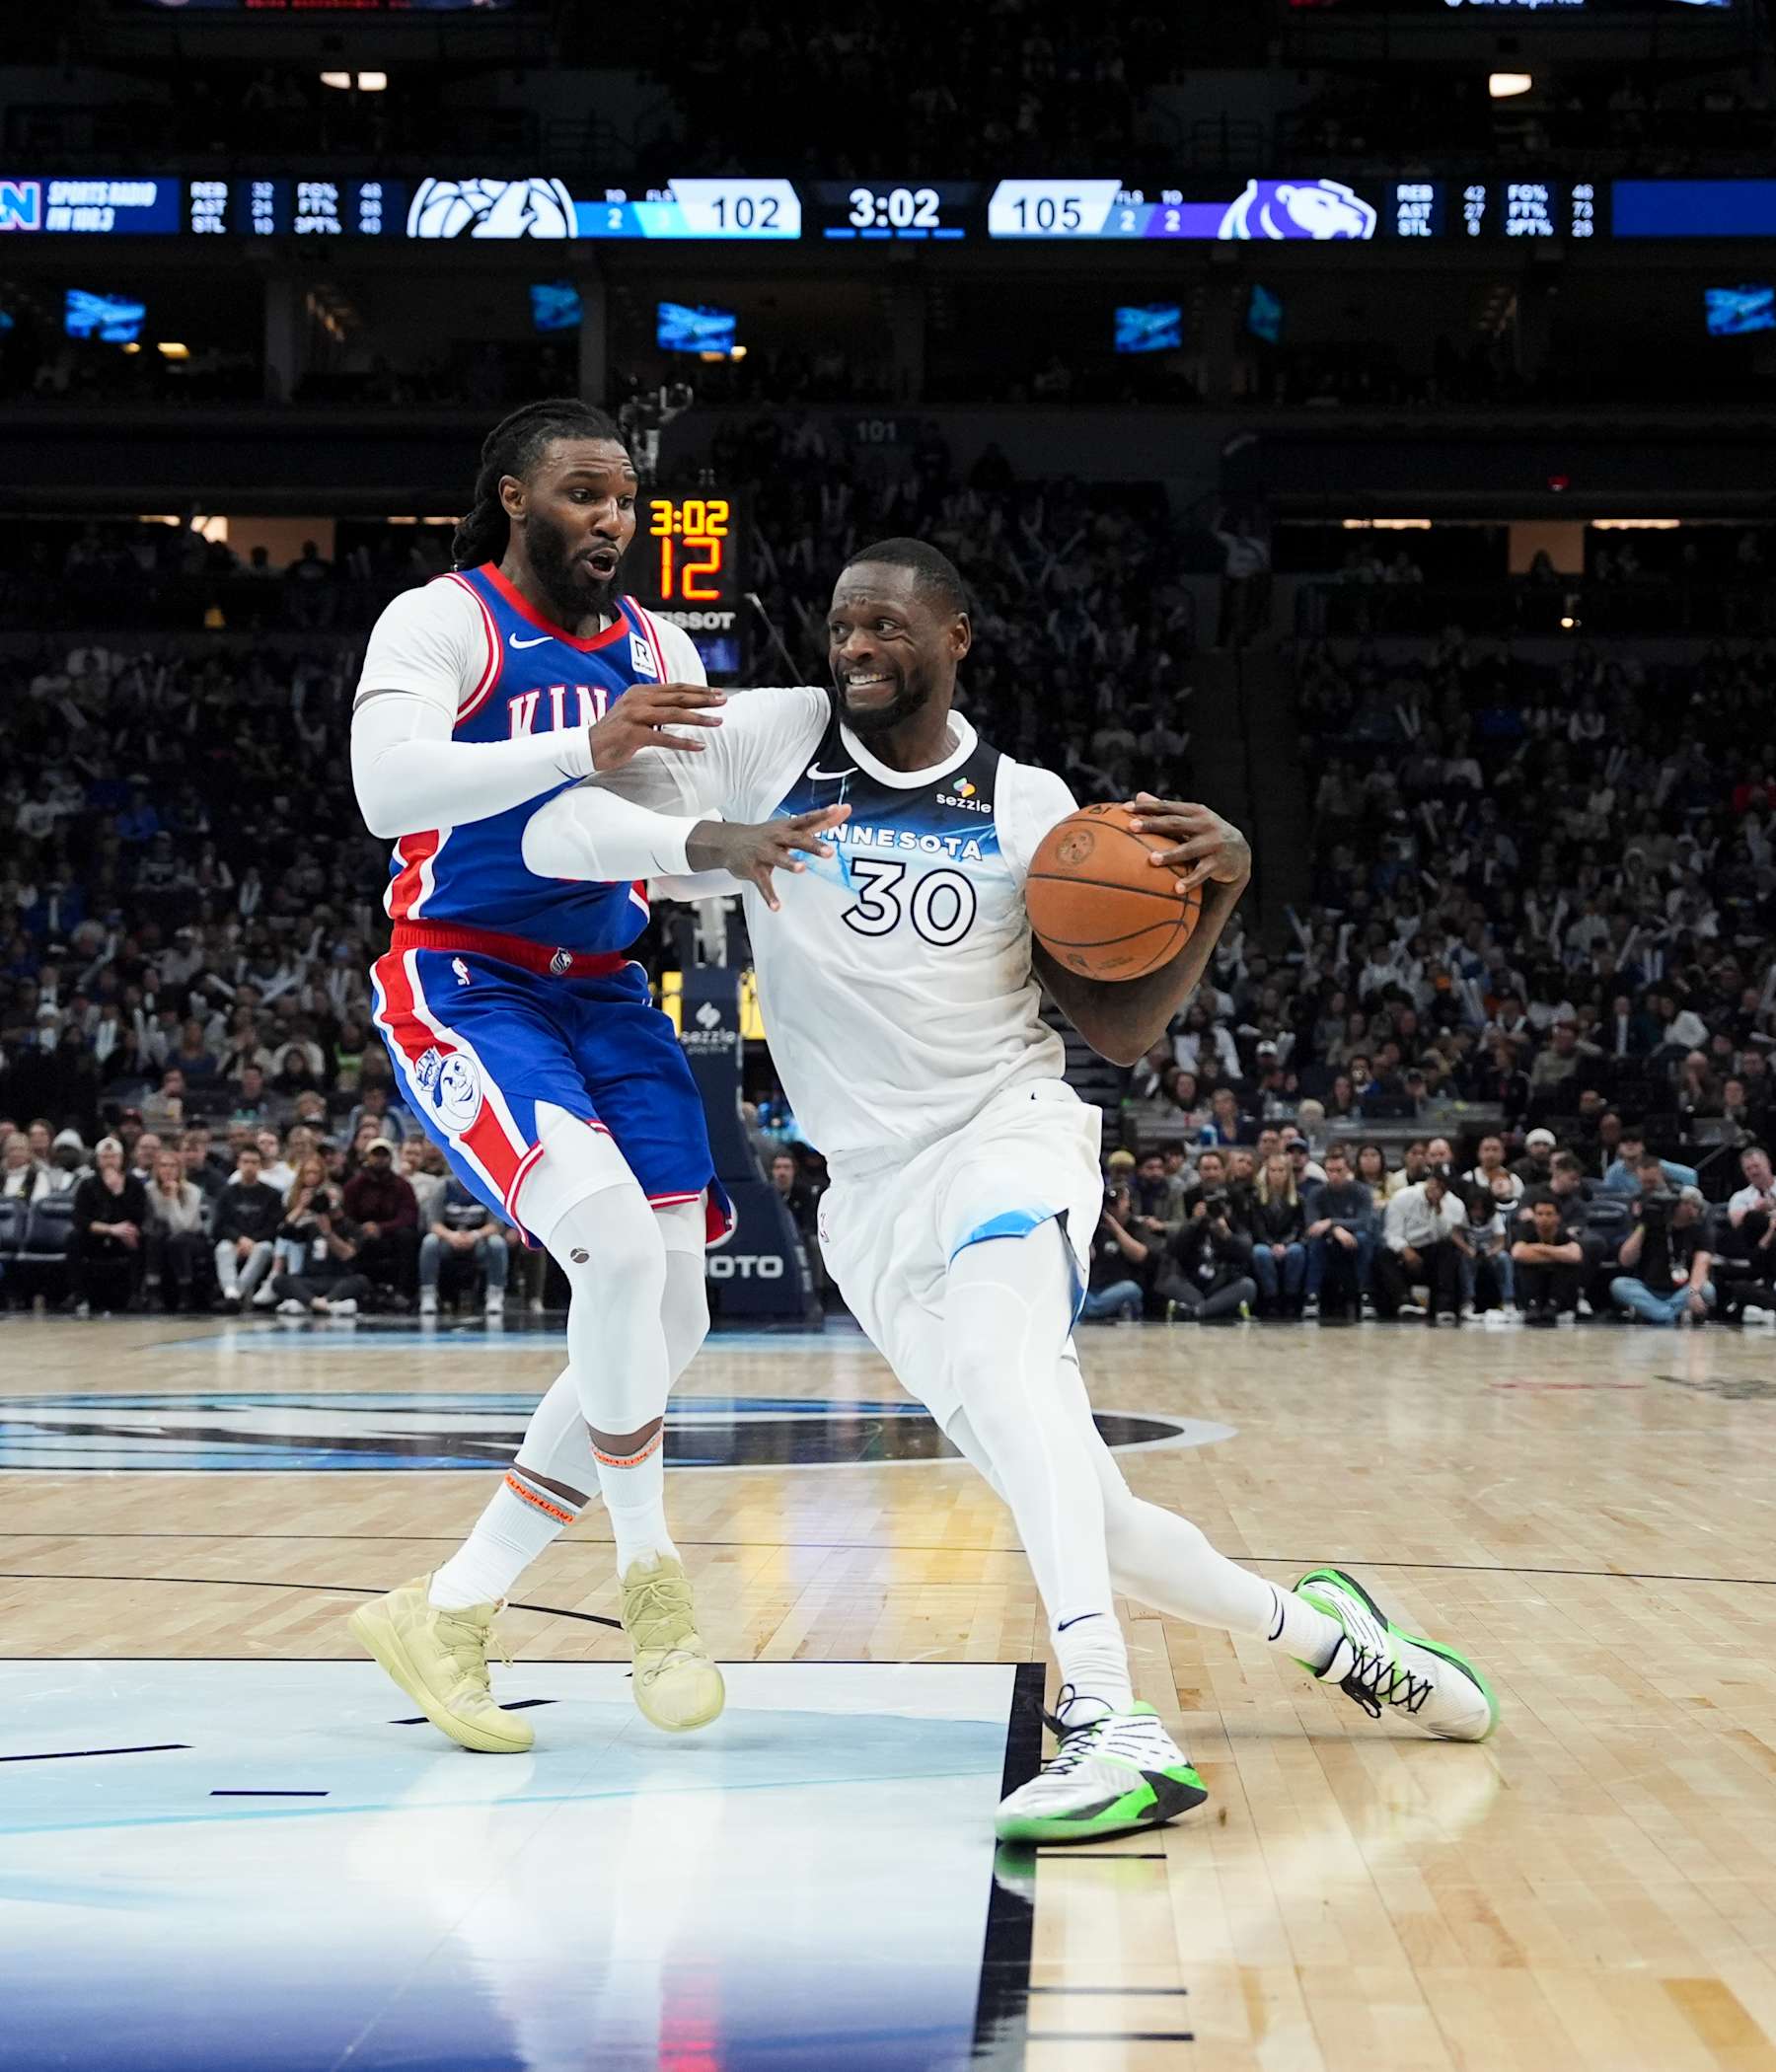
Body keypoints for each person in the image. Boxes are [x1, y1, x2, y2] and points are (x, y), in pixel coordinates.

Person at [526, 534, 1498, 1843]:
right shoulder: (771, 739)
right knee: (1093, 1511)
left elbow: (1120, 1033)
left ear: (954, 639)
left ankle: (1109, 1722)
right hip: (866, 1200)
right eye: (843, 625)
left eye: (886, 627)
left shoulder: (1031, 808)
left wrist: (1220, 898)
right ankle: (1337, 1639)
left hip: (1006, 1131)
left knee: (1004, 1359)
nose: (859, 648)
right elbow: (557, 829)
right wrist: (708, 837)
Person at [345, 397, 799, 1748]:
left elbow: (647, 834)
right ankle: (652, 1581)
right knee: (607, 1247)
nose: (613, 518)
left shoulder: (656, 643)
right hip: (466, 979)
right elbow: (387, 793)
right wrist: (578, 746)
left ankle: (454, 1608)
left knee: (675, 1322)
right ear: (514, 500)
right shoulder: (443, 622)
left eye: (625, 498)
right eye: (585, 494)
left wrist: (732, 842)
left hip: (607, 986)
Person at [1154, 1150, 1255, 1321]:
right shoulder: (1187, 1197)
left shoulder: (1237, 1198)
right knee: (1167, 1282)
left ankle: (1195, 1312)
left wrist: (1227, 1235)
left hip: (1223, 1277)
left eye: (1216, 1168)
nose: (1211, 1173)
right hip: (1188, 1275)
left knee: (1248, 1286)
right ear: (1199, 1172)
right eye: (1206, 1169)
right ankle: (1212, 1309)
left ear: (1223, 1171)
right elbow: (1174, 1246)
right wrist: (1193, 1222)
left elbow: (1246, 1248)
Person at [1609, 1174, 1715, 1327]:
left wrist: (1693, 1292)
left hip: (1682, 1292)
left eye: (1694, 1205)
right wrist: (1644, 1224)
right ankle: (1667, 1313)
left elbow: (1702, 1266)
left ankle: (1658, 1314)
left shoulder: (1700, 1229)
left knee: (1707, 1289)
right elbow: (1626, 1260)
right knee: (1619, 1285)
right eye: (1686, 1203)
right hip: (1650, 1290)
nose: (1692, 1209)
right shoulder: (1652, 1225)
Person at [68, 1136, 148, 1316]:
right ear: (97, 1160)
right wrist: (110, 1229)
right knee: (73, 1238)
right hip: (96, 1236)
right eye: (105, 1157)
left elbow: (138, 1216)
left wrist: (118, 1193)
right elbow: (80, 1219)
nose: (109, 1161)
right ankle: (79, 1296)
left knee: (140, 1238)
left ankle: (136, 1294)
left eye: (113, 1157)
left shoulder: (133, 1184)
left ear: (121, 1159)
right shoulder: (87, 1185)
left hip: (125, 1236)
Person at [1375, 1168, 1463, 1322]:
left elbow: (1443, 1235)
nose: (1436, 1190)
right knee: (1384, 1254)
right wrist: (1405, 1250)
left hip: (1431, 1252)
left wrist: (1438, 1212)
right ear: (1429, 1182)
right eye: (1434, 1184)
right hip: (1405, 1248)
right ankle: (1405, 1301)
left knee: (1448, 1249)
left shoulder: (1454, 1204)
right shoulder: (1403, 1197)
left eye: (1442, 1188)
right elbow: (1391, 1233)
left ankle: (1444, 1306)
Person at [340, 1137, 420, 1303]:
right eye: (376, 1154)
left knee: (407, 1236)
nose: (380, 1159)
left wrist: (381, 1228)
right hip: (361, 1234)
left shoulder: (402, 1185)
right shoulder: (354, 1186)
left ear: (391, 1158)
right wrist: (362, 1229)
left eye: (384, 1155)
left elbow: (409, 1216)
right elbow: (346, 1215)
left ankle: (403, 1292)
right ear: (367, 1157)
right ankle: (356, 1290)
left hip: (392, 1235)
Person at [420, 1176, 511, 1319]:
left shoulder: (488, 1187)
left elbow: (496, 1225)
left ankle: (495, 1293)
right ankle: (428, 1293)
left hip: (478, 1239)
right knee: (429, 1242)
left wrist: (474, 1235)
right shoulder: (443, 1187)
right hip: (449, 1238)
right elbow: (433, 1223)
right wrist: (451, 1236)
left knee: (497, 1243)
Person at [1302, 1144, 1373, 1321]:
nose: (1334, 1175)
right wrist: (1335, 1230)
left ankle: (1366, 1295)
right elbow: (1312, 1225)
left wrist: (1331, 1222)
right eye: (1330, 1170)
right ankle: (1312, 1297)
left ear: (1348, 1169)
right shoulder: (1316, 1193)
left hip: (1353, 1239)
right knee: (1315, 1241)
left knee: (1364, 1238)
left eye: (1339, 1170)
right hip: (1328, 1241)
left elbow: (1363, 1222)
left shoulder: (1361, 1191)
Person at [210, 1141, 284, 1311]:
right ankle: (232, 1292)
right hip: (234, 1241)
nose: (249, 1166)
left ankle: (234, 1294)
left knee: (264, 1249)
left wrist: (253, 1241)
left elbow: (273, 1226)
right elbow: (220, 1225)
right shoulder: (226, 1192)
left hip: (260, 1241)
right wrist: (239, 1239)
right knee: (222, 1249)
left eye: (254, 1162)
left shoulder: (272, 1194)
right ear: (238, 1164)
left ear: (260, 1165)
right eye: (245, 1162)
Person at [144, 1146, 210, 1312]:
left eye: (173, 1166)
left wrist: (172, 1198)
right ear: (156, 1169)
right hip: (162, 1235)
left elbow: (182, 1226)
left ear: (180, 1170)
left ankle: (185, 1292)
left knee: (177, 1241)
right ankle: (153, 1291)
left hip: (192, 1237)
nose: (168, 1170)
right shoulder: (149, 1190)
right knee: (154, 1237)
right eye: (163, 1165)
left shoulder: (192, 1191)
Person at [1243, 1148, 1307, 1318]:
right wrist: (1272, 1245)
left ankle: (1290, 1298)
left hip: (1290, 1243)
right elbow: (1257, 1227)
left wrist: (1284, 1244)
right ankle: (1271, 1299)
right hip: (1265, 1242)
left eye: (1281, 1170)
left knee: (1296, 1251)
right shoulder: (1256, 1198)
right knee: (1260, 1252)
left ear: (1288, 1173)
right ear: (1267, 1172)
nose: (1277, 1174)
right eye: (1273, 1170)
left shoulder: (1298, 1199)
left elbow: (1298, 1227)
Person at [1511, 1195, 1586, 1326]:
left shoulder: (1563, 1234)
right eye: (1539, 1214)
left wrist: (1539, 1249)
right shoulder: (1526, 1231)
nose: (1544, 1218)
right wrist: (1558, 1253)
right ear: (1533, 1216)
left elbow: (1575, 1255)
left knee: (1567, 1265)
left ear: (1558, 1217)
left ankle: (1553, 1304)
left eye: (1549, 1214)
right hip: (1534, 1288)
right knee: (1526, 1265)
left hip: (1558, 1291)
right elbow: (1517, 1253)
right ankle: (1533, 1305)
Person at [1080, 1182, 1150, 1322]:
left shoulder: (1137, 1226)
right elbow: (1088, 1256)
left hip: (1120, 1286)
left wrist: (1115, 1227)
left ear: (1128, 1203)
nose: (1114, 1206)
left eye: (1119, 1201)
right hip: (1095, 1288)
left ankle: (1090, 1311)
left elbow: (1140, 1255)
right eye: (1111, 1202)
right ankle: (1090, 1310)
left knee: (1131, 1289)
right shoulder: (1095, 1227)